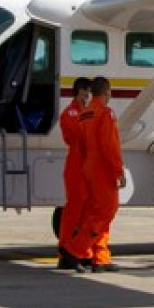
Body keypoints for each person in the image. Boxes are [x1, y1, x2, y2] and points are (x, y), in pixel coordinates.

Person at [67, 76, 127, 272]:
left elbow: (81, 144)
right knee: (106, 210)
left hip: (89, 167)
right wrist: (119, 171)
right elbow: (110, 146)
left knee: (94, 211)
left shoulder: (85, 113)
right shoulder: (104, 113)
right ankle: (77, 250)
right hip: (103, 167)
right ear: (107, 92)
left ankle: (100, 257)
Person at [56, 76, 92, 272]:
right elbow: (78, 137)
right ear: (77, 92)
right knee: (74, 210)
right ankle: (65, 251)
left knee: (86, 210)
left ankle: (82, 252)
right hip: (77, 167)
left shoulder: (85, 112)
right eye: (85, 91)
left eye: (89, 91)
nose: (87, 95)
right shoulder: (70, 113)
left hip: (87, 167)